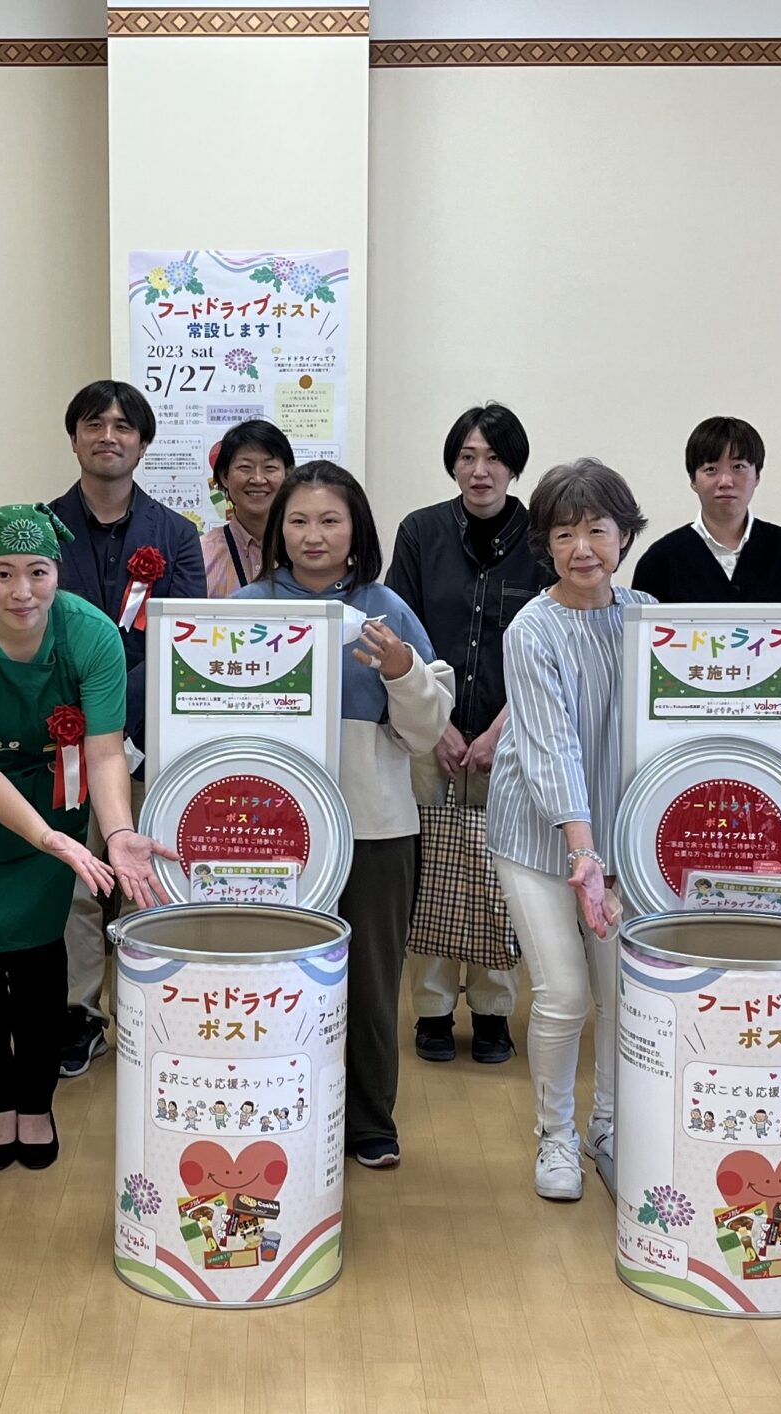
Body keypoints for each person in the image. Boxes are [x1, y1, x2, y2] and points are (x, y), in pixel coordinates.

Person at [0, 504, 174, 1170]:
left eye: (38, 572)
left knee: (37, 950)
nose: (22, 591)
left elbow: (106, 751)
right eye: (2, 574)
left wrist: (118, 830)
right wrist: (50, 840)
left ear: (57, 571)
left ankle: (35, 1102)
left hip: (54, 793)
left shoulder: (90, 634)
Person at [233, 462, 455, 1169]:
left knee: (370, 980)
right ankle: (273, 1110)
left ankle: (368, 1122)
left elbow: (425, 733)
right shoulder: (245, 606)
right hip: (266, 832)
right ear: (278, 530)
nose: (313, 535)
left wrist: (401, 670)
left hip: (374, 827)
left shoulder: (388, 611)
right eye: (298, 520)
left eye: (330, 520)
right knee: (271, 973)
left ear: (357, 528)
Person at [487, 459, 654, 1203]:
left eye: (596, 530)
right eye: (563, 534)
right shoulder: (532, 628)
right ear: (545, 544)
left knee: (621, 992)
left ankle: (608, 1127)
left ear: (624, 536)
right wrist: (582, 852)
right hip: (537, 835)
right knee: (561, 991)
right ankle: (554, 1136)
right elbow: (550, 748)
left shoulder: (648, 617)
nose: (581, 548)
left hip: (623, 835)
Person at [386, 401, 553, 1065]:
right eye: (467, 457)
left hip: (513, 736)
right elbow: (401, 631)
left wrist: (498, 730)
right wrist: (439, 724)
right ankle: (431, 1009)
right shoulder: (420, 532)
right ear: (452, 464)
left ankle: (492, 1011)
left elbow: (552, 644)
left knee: (499, 872)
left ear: (514, 466)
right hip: (430, 733)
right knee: (432, 869)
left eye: (494, 458)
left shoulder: (543, 538)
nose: (480, 470)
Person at [49, 381, 206, 1078]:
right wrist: (82, 718)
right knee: (76, 884)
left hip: (146, 738)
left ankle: (152, 1009)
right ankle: (79, 1013)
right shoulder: (41, 527)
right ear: (74, 438)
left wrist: (114, 714)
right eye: (94, 423)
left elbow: (181, 643)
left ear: (143, 444)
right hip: (59, 736)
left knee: (145, 879)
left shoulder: (176, 534)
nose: (108, 435)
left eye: (123, 426)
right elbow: (26, 625)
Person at [630, 416, 781, 604]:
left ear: (757, 476)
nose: (725, 482)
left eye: (738, 467)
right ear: (693, 480)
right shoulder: (659, 561)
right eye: (711, 469)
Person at [201, 418, 293, 598]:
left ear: (288, 475)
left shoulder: (305, 549)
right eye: (245, 467)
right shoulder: (201, 554)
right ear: (225, 476)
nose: (258, 479)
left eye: (270, 467)